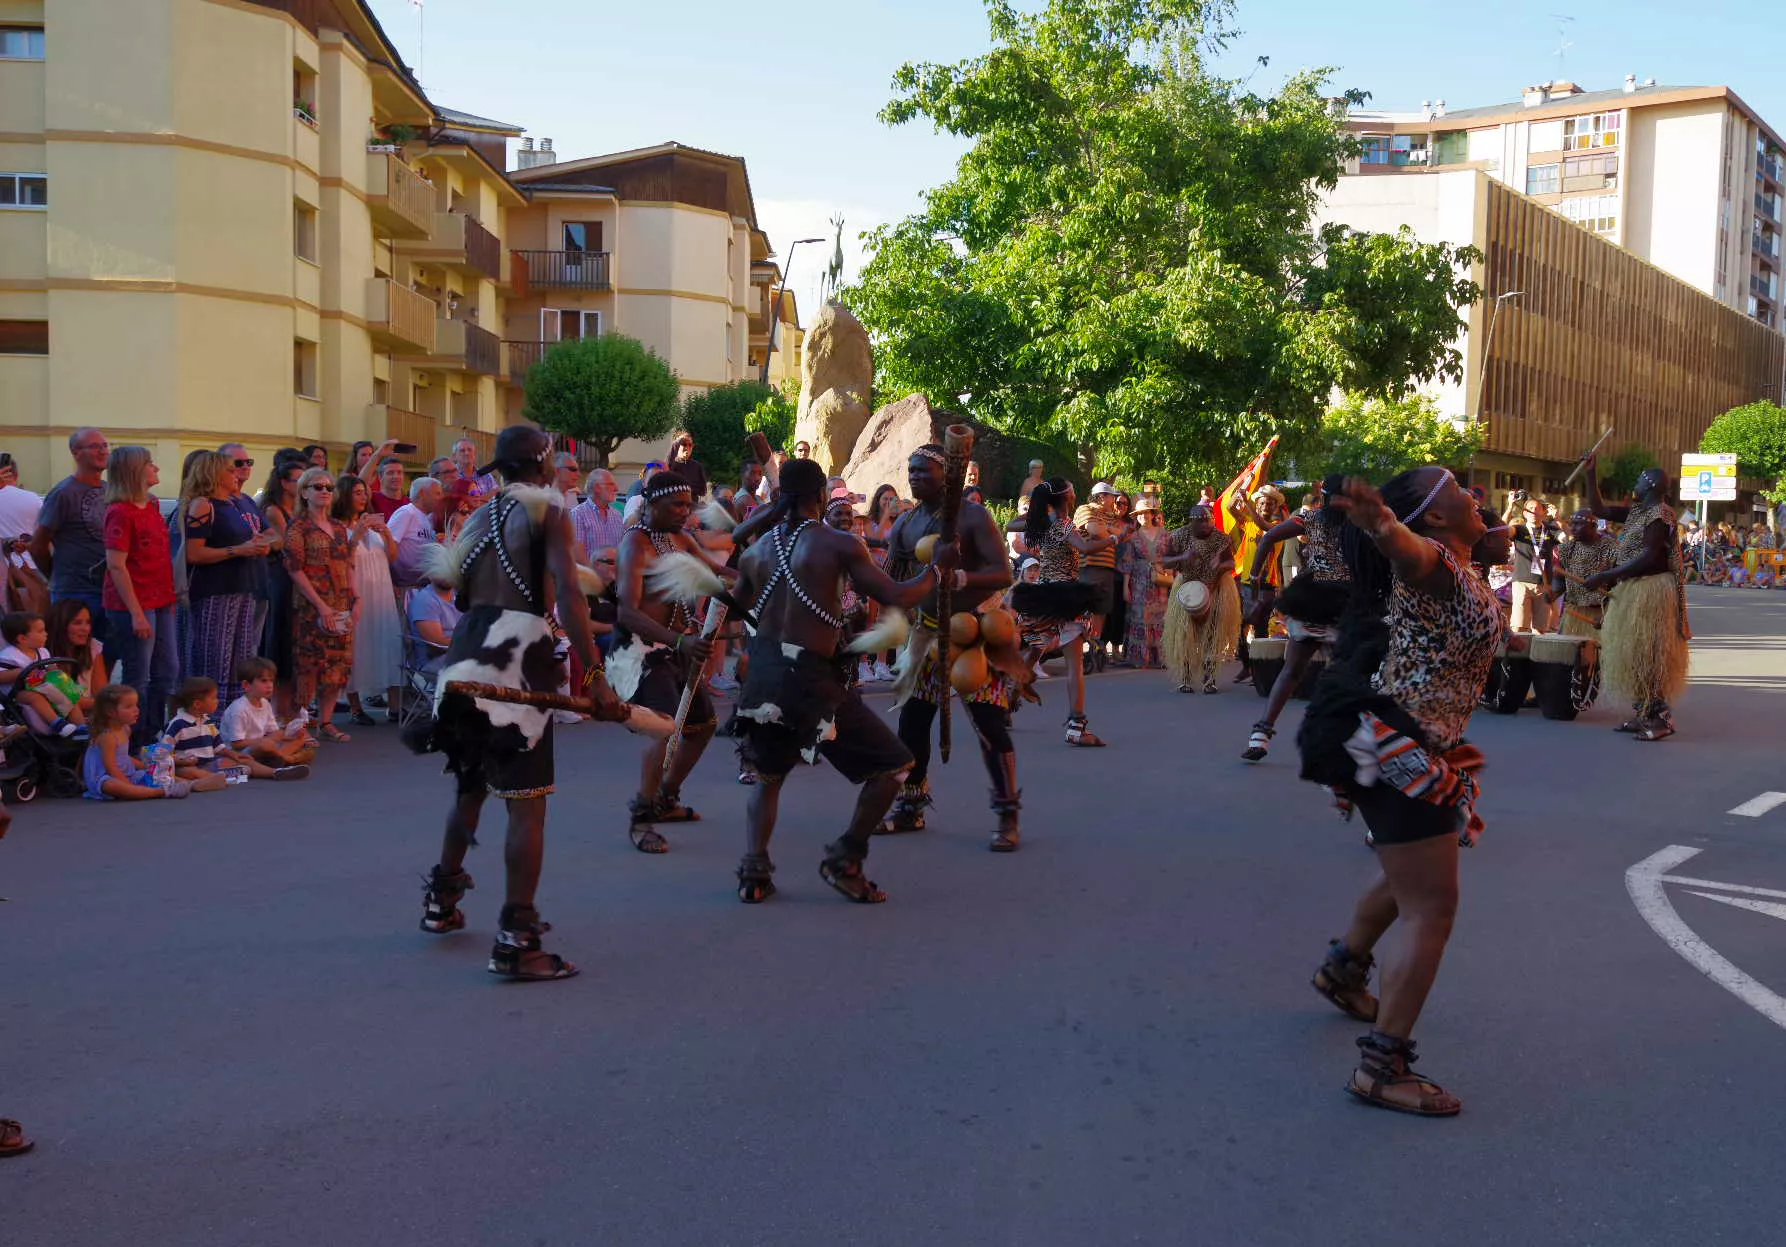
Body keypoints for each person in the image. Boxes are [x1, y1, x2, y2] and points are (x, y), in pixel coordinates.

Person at [1298, 468, 1502, 1117]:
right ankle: (1382, 1067)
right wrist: (1386, 527)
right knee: (1432, 907)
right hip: (1401, 748)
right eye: (1460, 493)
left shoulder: (1462, 561)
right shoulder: (1432, 560)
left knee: (1410, 871)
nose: (1474, 496)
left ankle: (1344, 966)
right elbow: (1413, 558)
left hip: (1403, 741)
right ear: (1434, 519)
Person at [407, 424, 620, 980]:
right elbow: (569, 595)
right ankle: (517, 938)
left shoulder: (477, 520)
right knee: (527, 800)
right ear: (546, 467)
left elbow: (474, 597)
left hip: (465, 656)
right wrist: (594, 672)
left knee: (471, 783)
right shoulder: (547, 512)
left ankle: (441, 902)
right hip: (515, 662)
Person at [730, 457, 939, 902]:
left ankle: (753, 872)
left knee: (768, 776)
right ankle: (845, 858)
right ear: (822, 496)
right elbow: (896, 595)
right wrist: (938, 571)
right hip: (812, 681)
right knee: (894, 767)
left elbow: (737, 608)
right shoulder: (839, 543)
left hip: (765, 676)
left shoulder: (756, 551)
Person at [880, 444, 1025, 850]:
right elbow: (892, 580)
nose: (914, 477)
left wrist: (959, 578)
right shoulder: (905, 525)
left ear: (947, 476)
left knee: (988, 724)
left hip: (974, 630)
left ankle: (1006, 811)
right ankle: (911, 805)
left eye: (923, 471)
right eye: (910, 470)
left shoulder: (974, 516)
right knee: (912, 723)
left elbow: (1003, 572)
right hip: (926, 633)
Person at [611, 470, 728, 853]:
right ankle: (641, 818)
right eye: (676, 504)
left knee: (702, 726)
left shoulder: (680, 537)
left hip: (677, 647)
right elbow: (627, 613)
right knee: (664, 728)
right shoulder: (635, 545)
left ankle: (666, 797)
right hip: (639, 651)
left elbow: (718, 571)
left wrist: (765, 579)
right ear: (651, 504)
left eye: (688, 504)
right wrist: (680, 641)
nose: (685, 511)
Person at [1239, 475, 1353, 761]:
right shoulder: (1360, 525)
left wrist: (1255, 576)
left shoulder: (1311, 518)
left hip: (1313, 599)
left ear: (1324, 497)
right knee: (1347, 675)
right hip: (1343, 604)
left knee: (1292, 671)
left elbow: (1268, 537)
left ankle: (1261, 735)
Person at [1584, 464, 1691, 741]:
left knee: (1650, 654)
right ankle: (1643, 712)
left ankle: (1660, 718)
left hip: (1651, 590)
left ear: (1651, 485)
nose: (1635, 486)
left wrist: (1608, 574)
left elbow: (1649, 555)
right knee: (1635, 654)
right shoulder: (1638, 512)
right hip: (1634, 589)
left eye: (1639, 481)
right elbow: (1599, 510)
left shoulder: (1660, 514)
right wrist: (1590, 473)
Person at [1009, 478, 1113, 746]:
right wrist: (1114, 538)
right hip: (1065, 597)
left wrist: (1031, 518)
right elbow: (1086, 548)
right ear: (1066, 496)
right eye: (1071, 487)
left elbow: (1014, 525)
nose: (1074, 490)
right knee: (1074, 665)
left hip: (1042, 594)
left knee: (1034, 652)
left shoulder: (1042, 525)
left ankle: (1003, 704)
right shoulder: (1064, 525)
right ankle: (1076, 727)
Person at [100, 446, 178, 742]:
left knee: (167, 669)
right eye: (149, 464)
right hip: (134, 603)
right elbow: (116, 566)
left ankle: (154, 730)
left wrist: (169, 596)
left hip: (160, 600)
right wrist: (135, 612)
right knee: (139, 674)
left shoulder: (154, 505)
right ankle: (135, 740)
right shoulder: (120, 512)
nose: (156, 468)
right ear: (134, 471)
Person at [183, 450, 273, 694]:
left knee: (240, 661)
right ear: (214, 473)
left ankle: (234, 716)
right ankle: (210, 718)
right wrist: (238, 550)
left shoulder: (235, 503)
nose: (237, 474)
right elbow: (194, 554)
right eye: (230, 470)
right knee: (215, 660)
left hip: (243, 589)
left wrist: (257, 545)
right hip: (215, 592)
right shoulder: (203, 505)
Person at [284, 467, 357, 743]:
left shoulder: (339, 528)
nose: (325, 491)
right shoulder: (298, 527)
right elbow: (294, 569)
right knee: (309, 665)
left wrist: (355, 600)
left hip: (340, 604)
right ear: (304, 492)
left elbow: (349, 563)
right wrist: (320, 606)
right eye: (318, 487)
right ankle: (300, 726)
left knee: (338, 665)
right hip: (311, 607)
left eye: (328, 487)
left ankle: (326, 722)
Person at [30, 427, 113, 650]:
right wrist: (55, 576)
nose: (103, 451)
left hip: (109, 590)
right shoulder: (64, 493)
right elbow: (38, 545)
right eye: (94, 446)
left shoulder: (111, 490)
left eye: (105, 445)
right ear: (76, 452)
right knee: (73, 657)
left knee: (104, 657)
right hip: (76, 591)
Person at [336, 474, 402, 726]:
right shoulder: (338, 528)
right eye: (357, 492)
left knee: (388, 644)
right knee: (357, 645)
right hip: (358, 592)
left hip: (382, 594)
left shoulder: (374, 527)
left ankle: (395, 706)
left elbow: (393, 557)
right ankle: (355, 707)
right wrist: (356, 535)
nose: (363, 497)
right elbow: (342, 562)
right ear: (344, 496)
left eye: (364, 492)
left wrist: (386, 535)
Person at [1160, 505, 1241, 695]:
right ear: (1192, 521)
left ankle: (1210, 678)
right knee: (1185, 633)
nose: (1206, 524)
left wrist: (1220, 566)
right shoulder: (1179, 535)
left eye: (1208, 520)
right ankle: (1185, 677)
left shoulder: (1221, 538)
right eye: (1201, 520)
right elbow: (1164, 561)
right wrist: (1184, 556)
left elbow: (1232, 562)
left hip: (1216, 588)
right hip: (1187, 587)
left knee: (1213, 633)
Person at [256, 455, 306, 717]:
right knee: (280, 638)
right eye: (297, 481)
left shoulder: (300, 509)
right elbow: (291, 543)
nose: (302, 486)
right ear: (284, 483)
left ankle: (294, 710)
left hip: (296, 577)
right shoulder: (274, 510)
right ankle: (278, 709)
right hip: (280, 578)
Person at [82, 685, 192, 800]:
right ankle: (160, 792)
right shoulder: (108, 736)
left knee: (154, 774)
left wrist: (146, 766)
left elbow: (124, 757)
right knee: (112, 786)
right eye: (129, 706)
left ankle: (187, 784)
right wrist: (127, 785)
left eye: (136, 705)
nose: (136, 710)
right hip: (105, 777)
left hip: (127, 773)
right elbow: (111, 767)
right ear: (111, 712)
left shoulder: (125, 729)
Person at [0, 610, 88, 737]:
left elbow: (51, 668)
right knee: (34, 697)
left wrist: (58, 676)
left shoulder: (42, 652)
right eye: (41, 631)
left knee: (69, 697)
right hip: (17, 693)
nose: (46, 634)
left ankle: (81, 727)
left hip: (42, 687)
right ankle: (57, 724)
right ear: (22, 638)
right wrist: (19, 673)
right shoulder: (10, 656)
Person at [220, 657, 318, 770]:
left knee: (298, 741)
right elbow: (236, 744)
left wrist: (291, 735)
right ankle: (287, 759)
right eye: (263, 681)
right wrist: (264, 740)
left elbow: (274, 733)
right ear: (246, 685)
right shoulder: (239, 709)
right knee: (266, 745)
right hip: (241, 752)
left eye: (271, 681)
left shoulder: (265, 703)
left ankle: (278, 759)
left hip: (264, 747)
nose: (269, 685)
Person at [155, 677, 244, 789]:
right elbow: (162, 753)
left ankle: (218, 778)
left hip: (208, 765)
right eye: (213, 698)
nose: (217, 701)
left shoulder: (208, 722)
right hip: (187, 767)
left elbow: (218, 746)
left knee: (239, 765)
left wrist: (233, 754)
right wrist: (182, 760)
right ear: (197, 704)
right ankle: (218, 779)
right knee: (189, 772)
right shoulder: (178, 724)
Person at [1119, 495, 1171, 668]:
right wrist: (1126, 587)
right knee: (1141, 617)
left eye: (1146, 513)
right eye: (1140, 514)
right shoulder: (1133, 537)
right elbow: (1128, 562)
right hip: (1139, 581)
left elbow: (1172, 557)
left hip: (1160, 580)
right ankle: (1142, 658)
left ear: (1152, 514)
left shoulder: (1165, 534)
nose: (1143, 517)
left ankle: (1163, 658)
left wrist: (1170, 573)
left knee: (1161, 617)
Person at [1548, 508, 1617, 636]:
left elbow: (1620, 585)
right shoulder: (1564, 550)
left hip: (1604, 612)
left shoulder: (1611, 547)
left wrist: (1608, 616)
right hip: (1575, 614)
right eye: (1571, 524)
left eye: (1578, 524)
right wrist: (1552, 593)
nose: (1573, 528)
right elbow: (1559, 582)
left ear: (1593, 526)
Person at [47, 598, 107, 711]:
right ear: (61, 625)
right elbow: (66, 700)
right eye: (77, 623)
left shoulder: (93, 647)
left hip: (90, 712)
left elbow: (102, 692)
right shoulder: (44, 655)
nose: (86, 629)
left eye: (88, 622)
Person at [389, 476, 443, 588]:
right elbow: (388, 546)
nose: (441, 498)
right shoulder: (406, 512)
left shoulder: (429, 518)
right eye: (437, 493)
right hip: (405, 588)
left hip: (422, 586)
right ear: (422, 493)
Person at [1507, 495, 1550, 633]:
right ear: (1524, 513)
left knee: (1540, 630)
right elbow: (1502, 530)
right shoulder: (1519, 529)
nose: (1533, 511)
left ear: (1543, 512)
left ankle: (1536, 655)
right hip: (1522, 581)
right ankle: (1515, 655)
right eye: (1530, 508)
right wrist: (1509, 507)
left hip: (1544, 583)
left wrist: (1559, 519)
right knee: (1518, 626)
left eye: (1537, 508)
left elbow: (1568, 538)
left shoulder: (1551, 530)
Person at [570, 468, 623, 570]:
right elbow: (578, 555)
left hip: (615, 579)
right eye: (611, 484)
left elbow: (621, 551)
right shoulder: (578, 514)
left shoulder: (617, 515)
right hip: (590, 579)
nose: (616, 488)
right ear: (597, 487)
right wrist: (596, 578)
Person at [664, 432, 709, 499]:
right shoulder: (666, 466)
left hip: (691, 505)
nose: (687, 448)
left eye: (690, 445)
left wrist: (686, 488)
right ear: (676, 445)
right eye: (684, 444)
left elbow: (703, 491)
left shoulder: (697, 467)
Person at [369, 456, 407, 520]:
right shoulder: (372, 499)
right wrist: (378, 454)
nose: (396, 476)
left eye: (399, 472)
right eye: (390, 473)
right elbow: (359, 483)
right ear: (380, 477)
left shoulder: (410, 503)